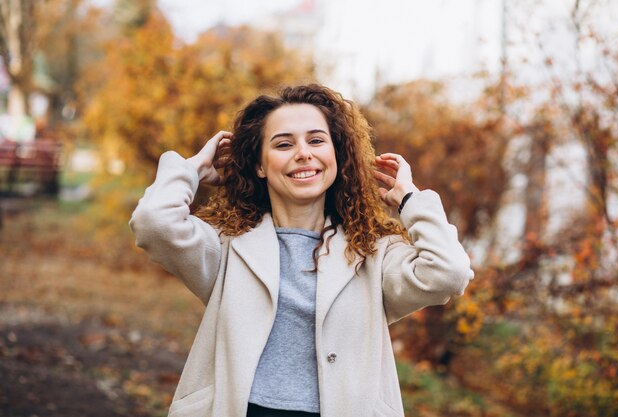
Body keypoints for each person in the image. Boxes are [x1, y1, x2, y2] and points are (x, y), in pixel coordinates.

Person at [129, 84, 474, 417]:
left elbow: (448, 273)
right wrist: (191, 169)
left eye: (316, 140)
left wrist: (411, 201)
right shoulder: (226, 245)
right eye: (283, 144)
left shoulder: (374, 252)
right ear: (260, 165)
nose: (303, 153)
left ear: (336, 156)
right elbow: (153, 222)